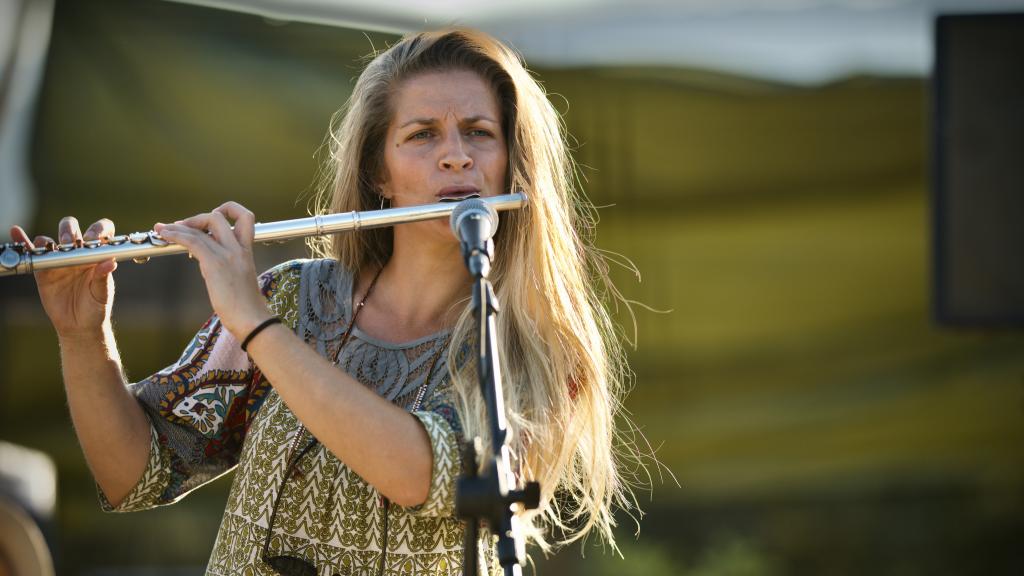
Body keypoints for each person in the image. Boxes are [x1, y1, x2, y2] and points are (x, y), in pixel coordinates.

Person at [11, 28, 641, 575]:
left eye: (479, 132)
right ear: (379, 176)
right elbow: (136, 474)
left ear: (511, 165)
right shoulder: (295, 296)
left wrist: (255, 325)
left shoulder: (536, 348)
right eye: (421, 135)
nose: (456, 154)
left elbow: (424, 472)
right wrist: (82, 335)